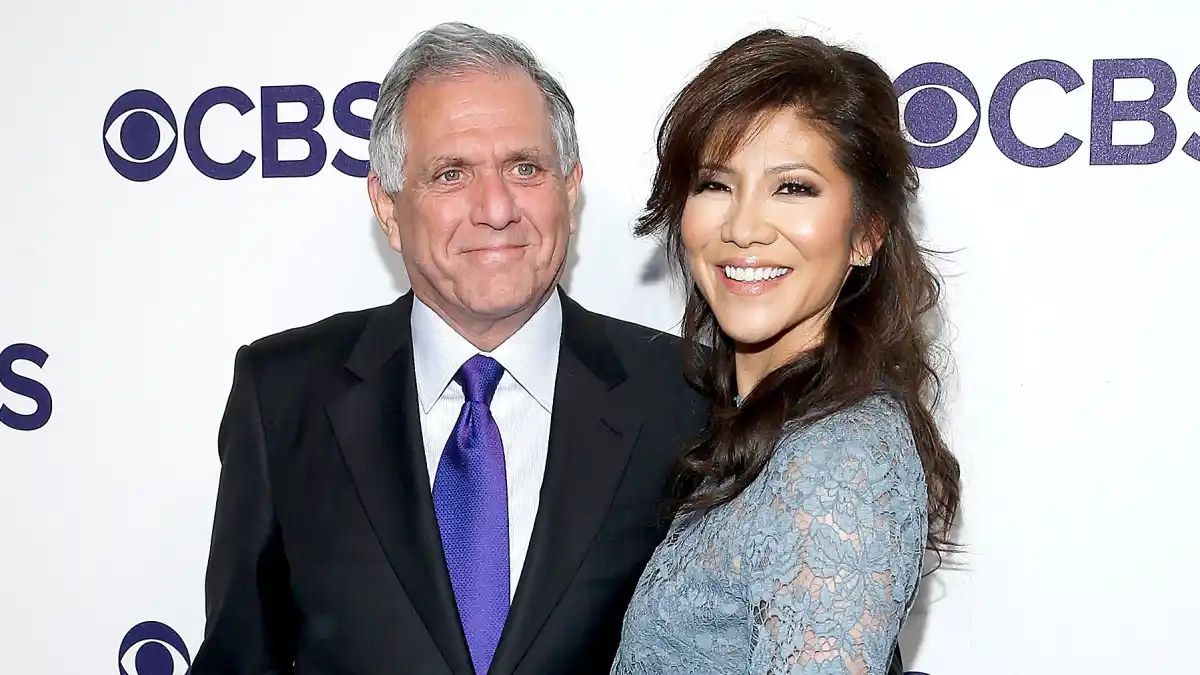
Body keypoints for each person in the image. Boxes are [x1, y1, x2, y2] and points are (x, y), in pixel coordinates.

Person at [189, 22, 709, 675]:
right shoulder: (284, 394)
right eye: (451, 174)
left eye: (525, 167)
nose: (496, 208)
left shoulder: (688, 396)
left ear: (568, 189)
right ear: (387, 204)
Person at [608, 29, 963, 674]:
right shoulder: (749, 422)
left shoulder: (841, 459)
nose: (744, 226)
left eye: (793, 188)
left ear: (867, 234)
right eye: (715, 184)